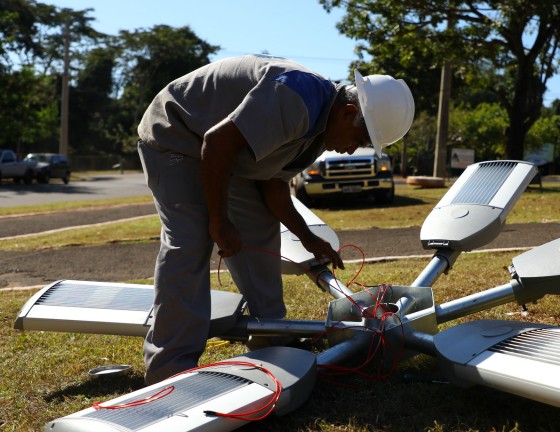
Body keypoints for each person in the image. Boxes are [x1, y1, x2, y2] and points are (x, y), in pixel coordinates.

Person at [136, 54, 415, 384]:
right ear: (348, 112)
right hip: (178, 136)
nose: (353, 150)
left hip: (224, 153)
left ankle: (272, 338)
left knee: (259, 232)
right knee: (192, 238)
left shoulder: (316, 134)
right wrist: (219, 219)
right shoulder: (296, 99)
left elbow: (272, 185)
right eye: (358, 140)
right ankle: (169, 368)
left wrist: (307, 237)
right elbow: (217, 141)